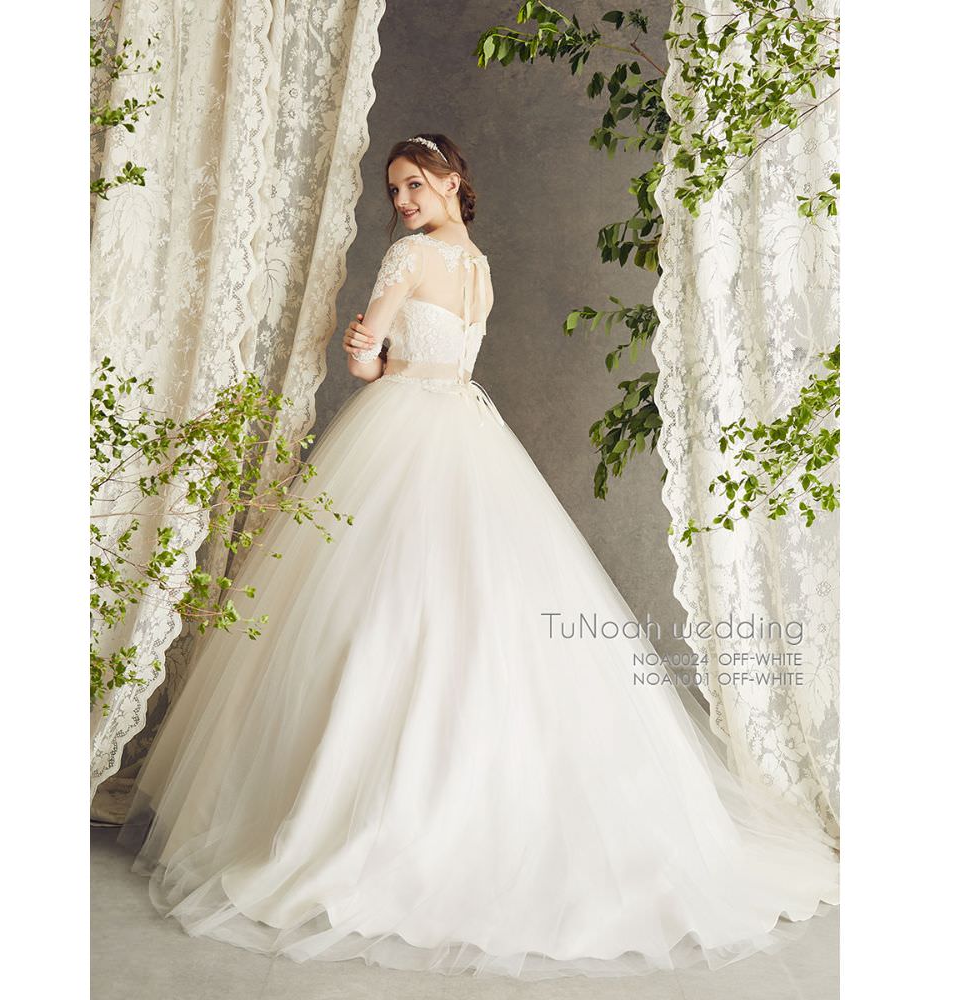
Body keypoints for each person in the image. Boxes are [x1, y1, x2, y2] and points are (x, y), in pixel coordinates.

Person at [117, 133, 839, 980]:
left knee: (377, 609)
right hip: (467, 428)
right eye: (395, 190)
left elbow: (370, 361)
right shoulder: (481, 269)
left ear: (452, 180)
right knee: (474, 606)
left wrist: (360, 352)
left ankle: (372, 804)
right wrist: (383, 355)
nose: (402, 201)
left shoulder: (407, 258)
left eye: (413, 185)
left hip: (404, 428)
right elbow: (450, 358)